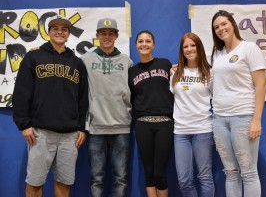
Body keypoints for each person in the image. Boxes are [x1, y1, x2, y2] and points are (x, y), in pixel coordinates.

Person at [12, 15, 88, 197]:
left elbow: (83, 98)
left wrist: (82, 128)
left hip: (70, 135)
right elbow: (21, 92)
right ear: (49, 32)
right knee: (35, 183)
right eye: (55, 28)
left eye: (64, 29)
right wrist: (24, 124)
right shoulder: (33, 57)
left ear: (69, 34)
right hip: (40, 133)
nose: (59, 32)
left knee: (64, 183)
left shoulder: (77, 63)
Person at [211, 10, 266, 197]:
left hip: (243, 117)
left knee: (249, 173)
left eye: (224, 24)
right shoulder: (217, 54)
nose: (221, 29)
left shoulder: (249, 48)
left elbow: (261, 85)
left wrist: (256, 119)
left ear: (233, 24)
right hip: (219, 119)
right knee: (231, 173)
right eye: (216, 27)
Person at [80, 18, 132, 197]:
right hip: (96, 128)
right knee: (97, 178)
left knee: (121, 178)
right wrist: (39, 50)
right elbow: (65, 60)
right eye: (103, 33)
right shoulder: (86, 59)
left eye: (111, 33)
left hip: (121, 128)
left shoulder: (126, 61)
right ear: (97, 35)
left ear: (117, 36)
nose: (107, 37)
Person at [128, 30, 174, 197]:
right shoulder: (132, 72)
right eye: (140, 41)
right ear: (136, 45)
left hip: (165, 123)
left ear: (153, 44)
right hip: (143, 124)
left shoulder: (165, 64)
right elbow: (131, 99)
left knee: (160, 172)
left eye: (148, 41)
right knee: (148, 172)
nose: (144, 44)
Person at [170, 32, 215, 197]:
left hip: (203, 130)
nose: (189, 49)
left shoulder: (210, 72)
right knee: (184, 181)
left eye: (193, 45)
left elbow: (216, 101)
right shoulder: (175, 73)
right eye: (185, 46)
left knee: (205, 177)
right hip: (180, 132)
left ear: (199, 47)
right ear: (182, 50)